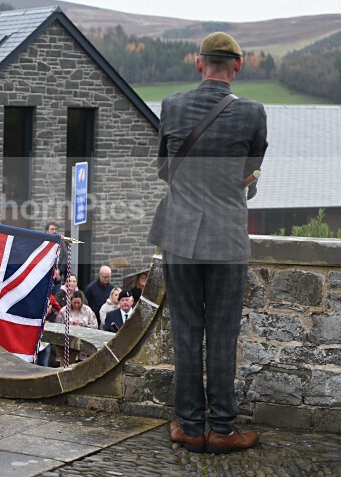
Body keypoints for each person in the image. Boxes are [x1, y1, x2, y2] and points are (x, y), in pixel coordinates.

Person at [147, 32, 267, 454]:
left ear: (199, 64)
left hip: (179, 235)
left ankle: (190, 426)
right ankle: (223, 429)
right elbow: (249, 170)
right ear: (238, 65)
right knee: (221, 333)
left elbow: (164, 168)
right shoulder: (253, 113)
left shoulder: (172, 105)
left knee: (185, 331)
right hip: (227, 238)